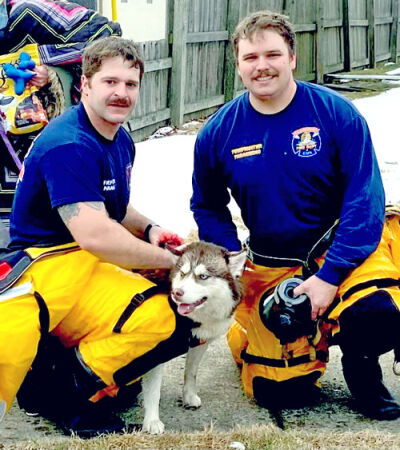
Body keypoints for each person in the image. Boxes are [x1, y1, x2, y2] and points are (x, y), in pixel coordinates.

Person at [191, 10, 400, 420]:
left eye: (272, 54)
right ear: (238, 65)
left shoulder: (337, 115)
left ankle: (362, 364)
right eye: (250, 57)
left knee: (374, 314)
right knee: (280, 393)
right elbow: (208, 204)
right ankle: (252, 333)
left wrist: (330, 277)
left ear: (292, 58)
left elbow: (365, 199)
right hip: (273, 260)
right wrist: (229, 262)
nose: (262, 66)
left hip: (344, 246)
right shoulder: (217, 133)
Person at [0, 36, 189, 437]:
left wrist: (152, 231)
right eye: (110, 82)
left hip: (81, 265)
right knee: (165, 314)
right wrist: (177, 264)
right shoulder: (69, 144)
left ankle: (70, 376)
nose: (121, 93)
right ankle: (61, 393)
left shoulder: (118, 138)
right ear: (84, 85)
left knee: (165, 316)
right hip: (45, 269)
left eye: (131, 84)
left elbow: (114, 211)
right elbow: (96, 235)